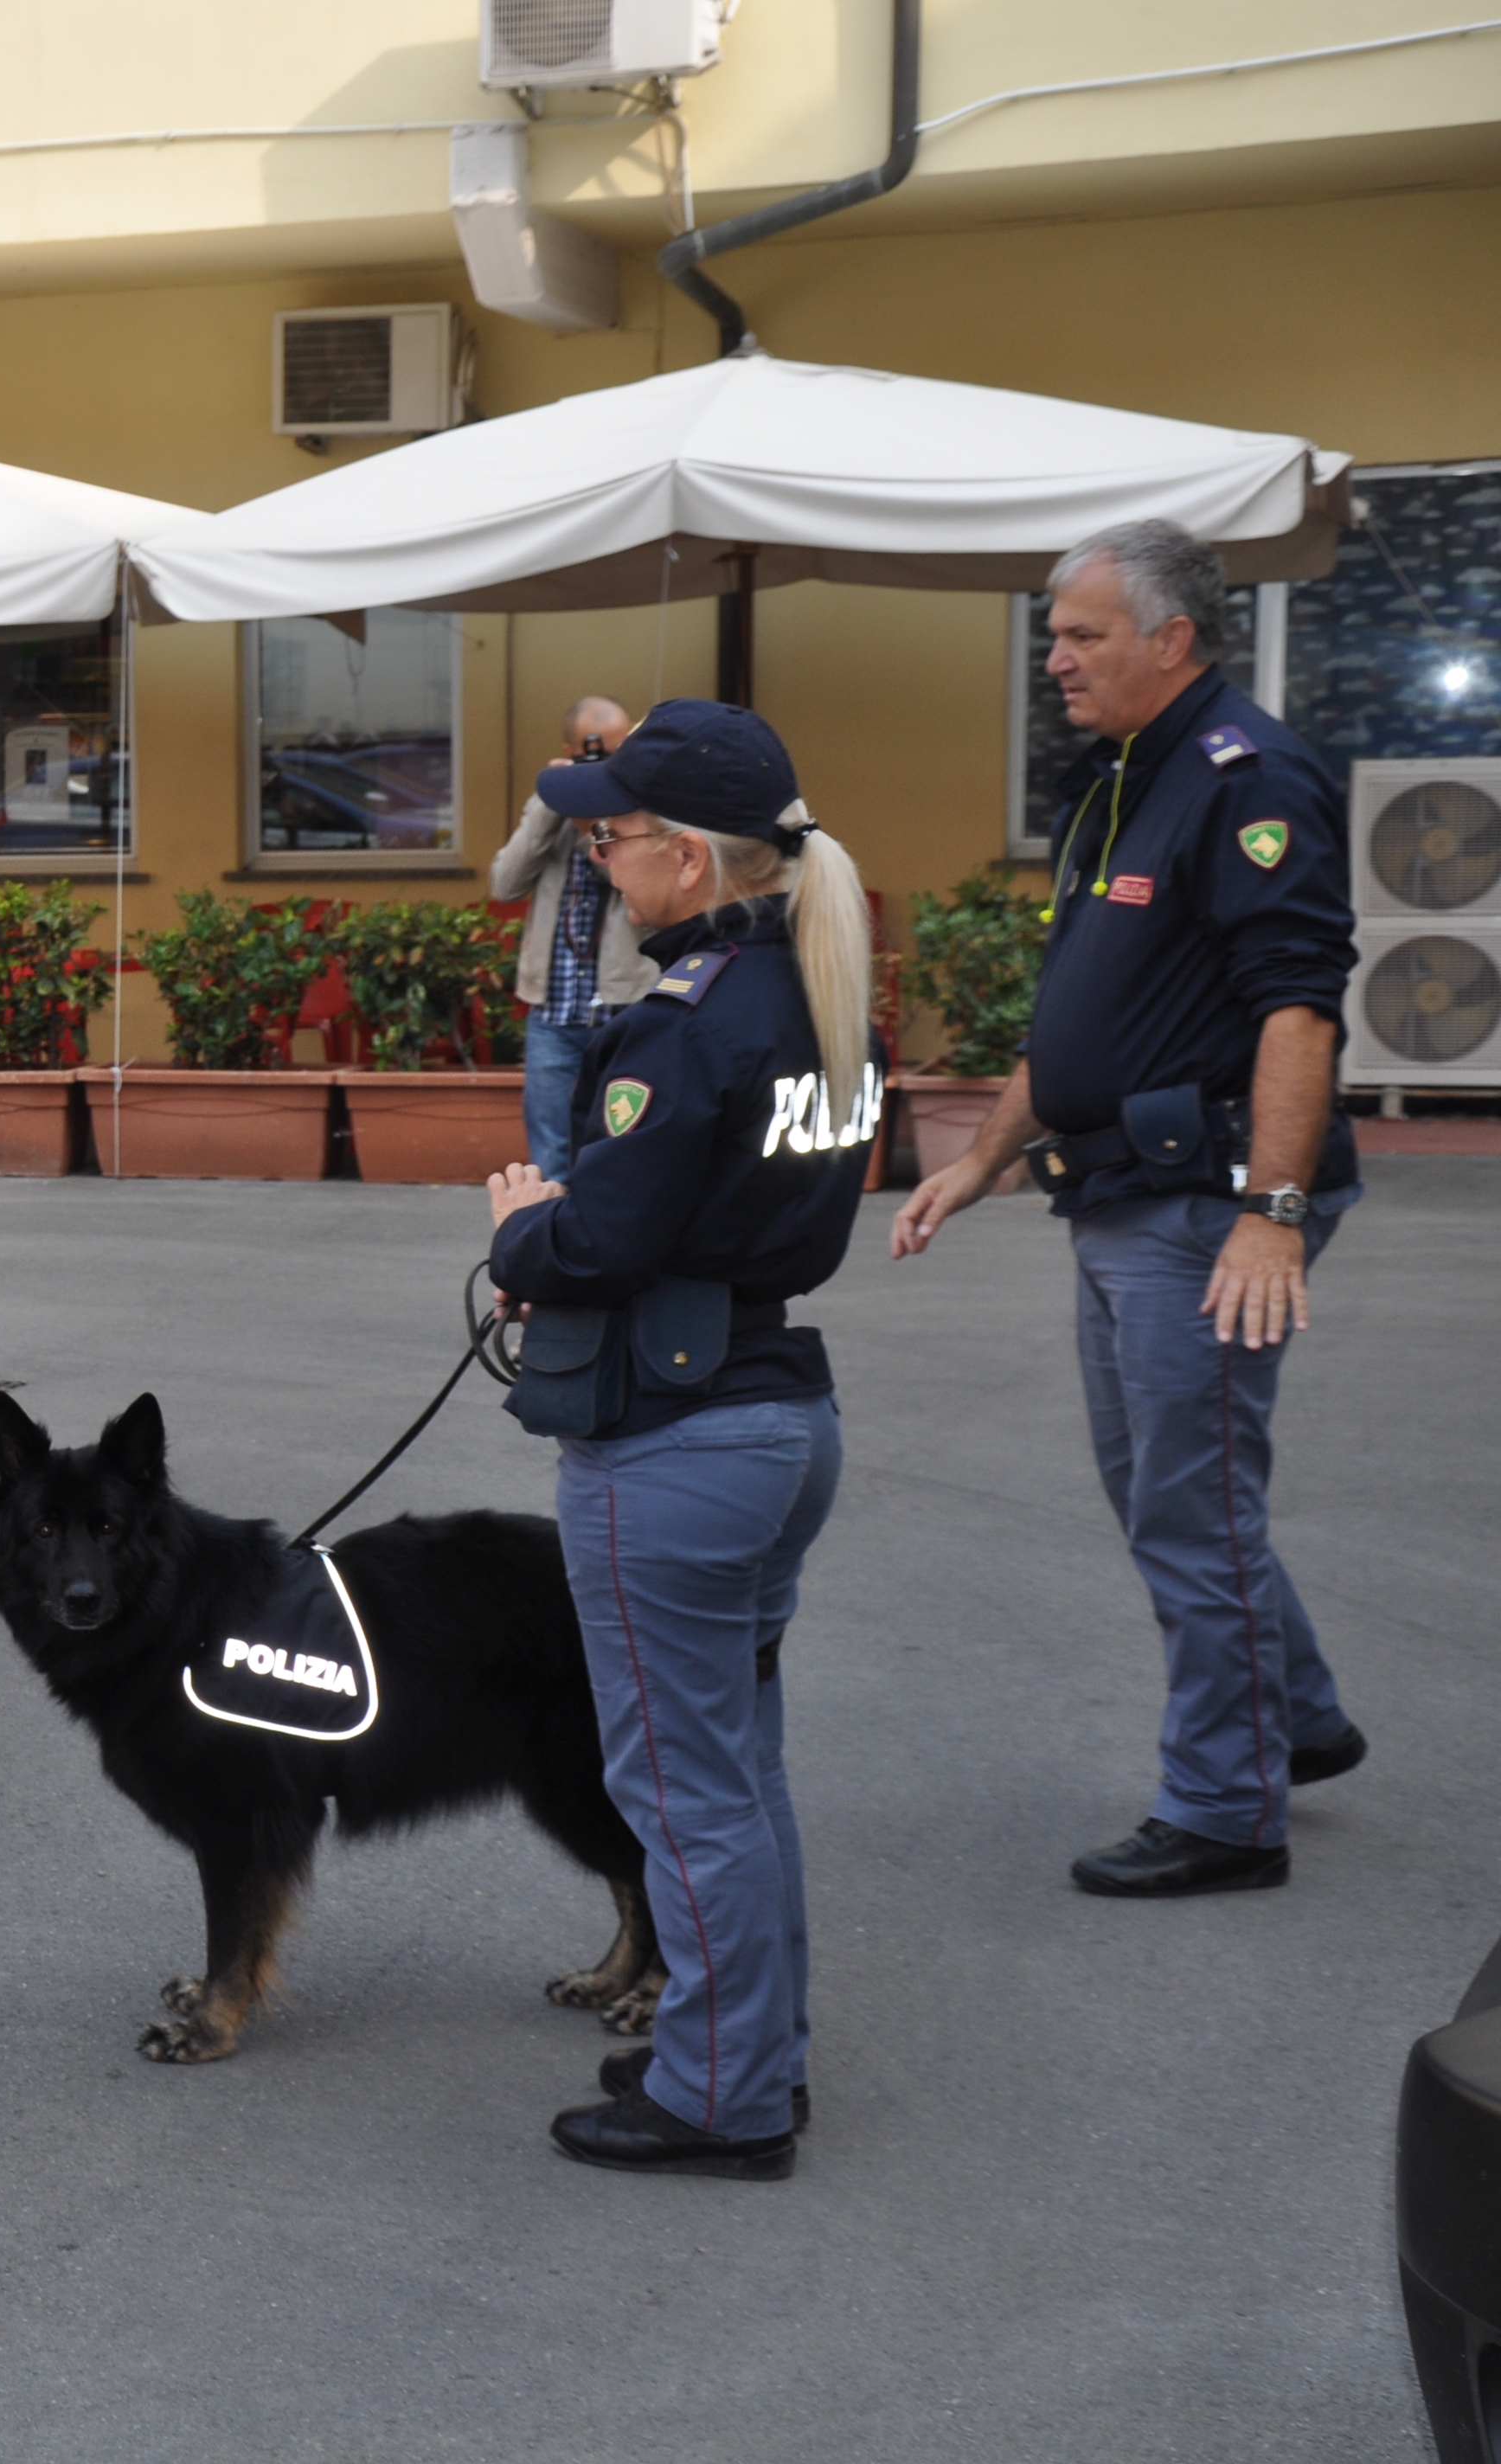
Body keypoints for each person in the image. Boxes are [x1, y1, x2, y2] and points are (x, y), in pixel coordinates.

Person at [890, 518, 1366, 1900]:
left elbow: (1297, 1006)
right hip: (1115, 1194)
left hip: (1206, 1203)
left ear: (1172, 639)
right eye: (1053, 635)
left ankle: (1228, 1809)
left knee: (1192, 1502)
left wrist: (1271, 1210)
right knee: (1166, 1490)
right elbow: (1087, 1012)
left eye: (1082, 635)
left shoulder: (1246, 776)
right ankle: (1303, 1717)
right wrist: (982, 1160)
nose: (1056, 660)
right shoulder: (1123, 781)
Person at [484, 699, 881, 2181]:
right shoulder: (817, 993)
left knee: (680, 1784)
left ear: (690, 857)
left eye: (615, 826)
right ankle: (744, 2046)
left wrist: (523, 1226)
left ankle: (720, 2094)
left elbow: (598, 1236)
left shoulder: (685, 1019)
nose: (597, 843)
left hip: (675, 1444)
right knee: (737, 1771)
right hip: (776, 1410)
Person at [496, 695, 662, 1181]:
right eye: (599, 755)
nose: (610, 767)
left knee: (623, 1147)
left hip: (624, 1008)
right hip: (554, 1012)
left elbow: (642, 895)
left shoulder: (641, 811)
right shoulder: (553, 812)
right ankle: (551, 1247)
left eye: (620, 753)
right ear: (569, 749)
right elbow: (504, 884)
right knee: (550, 1155)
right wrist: (550, 804)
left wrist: (597, 826)